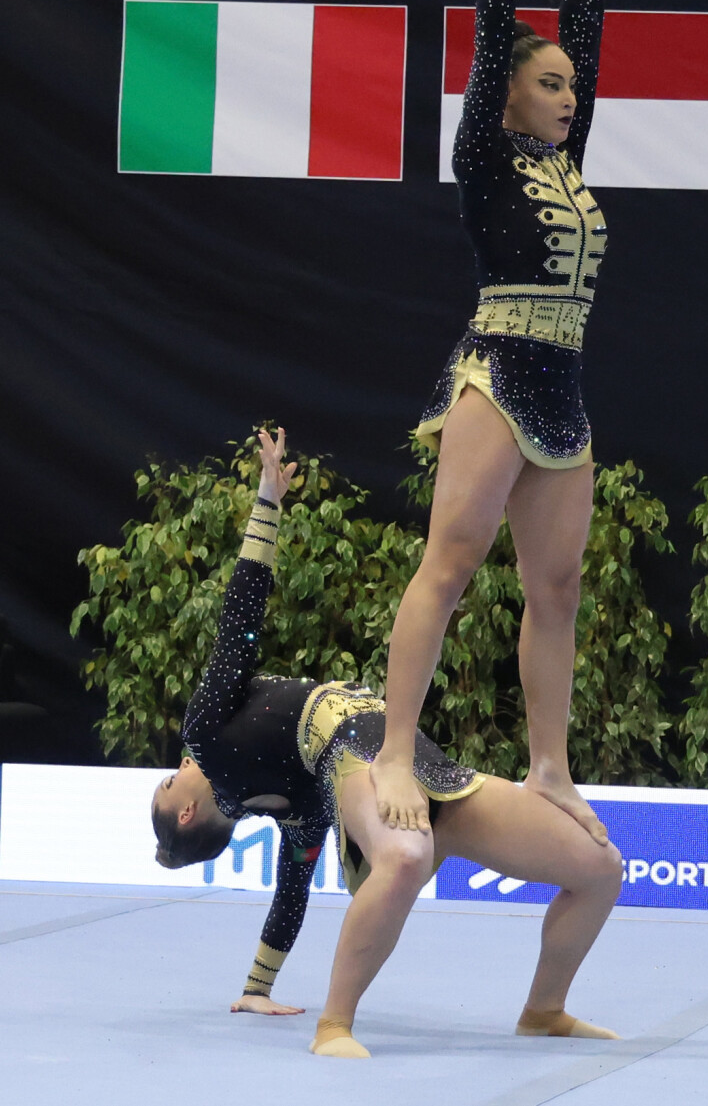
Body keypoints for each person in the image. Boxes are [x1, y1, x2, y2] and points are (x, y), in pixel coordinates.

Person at [151, 429, 624, 1058]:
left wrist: (256, 987)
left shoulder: (273, 798)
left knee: (599, 869)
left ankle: (544, 1010)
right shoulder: (206, 743)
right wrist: (267, 501)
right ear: (186, 811)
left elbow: (289, 899)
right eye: (167, 781)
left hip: (418, 767)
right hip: (365, 758)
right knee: (402, 854)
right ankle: (334, 1026)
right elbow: (240, 617)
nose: (176, 766)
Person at [379, 0, 609, 842]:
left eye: (570, 87)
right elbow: (486, 43)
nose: (567, 96)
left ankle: (549, 766)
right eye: (548, 84)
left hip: (563, 382)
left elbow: (586, 36)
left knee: (557, 587)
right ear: (506, 95)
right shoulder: (481, 156)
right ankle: (397, 747)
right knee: (453, 562)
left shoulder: (564, 158)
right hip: (496, 370)